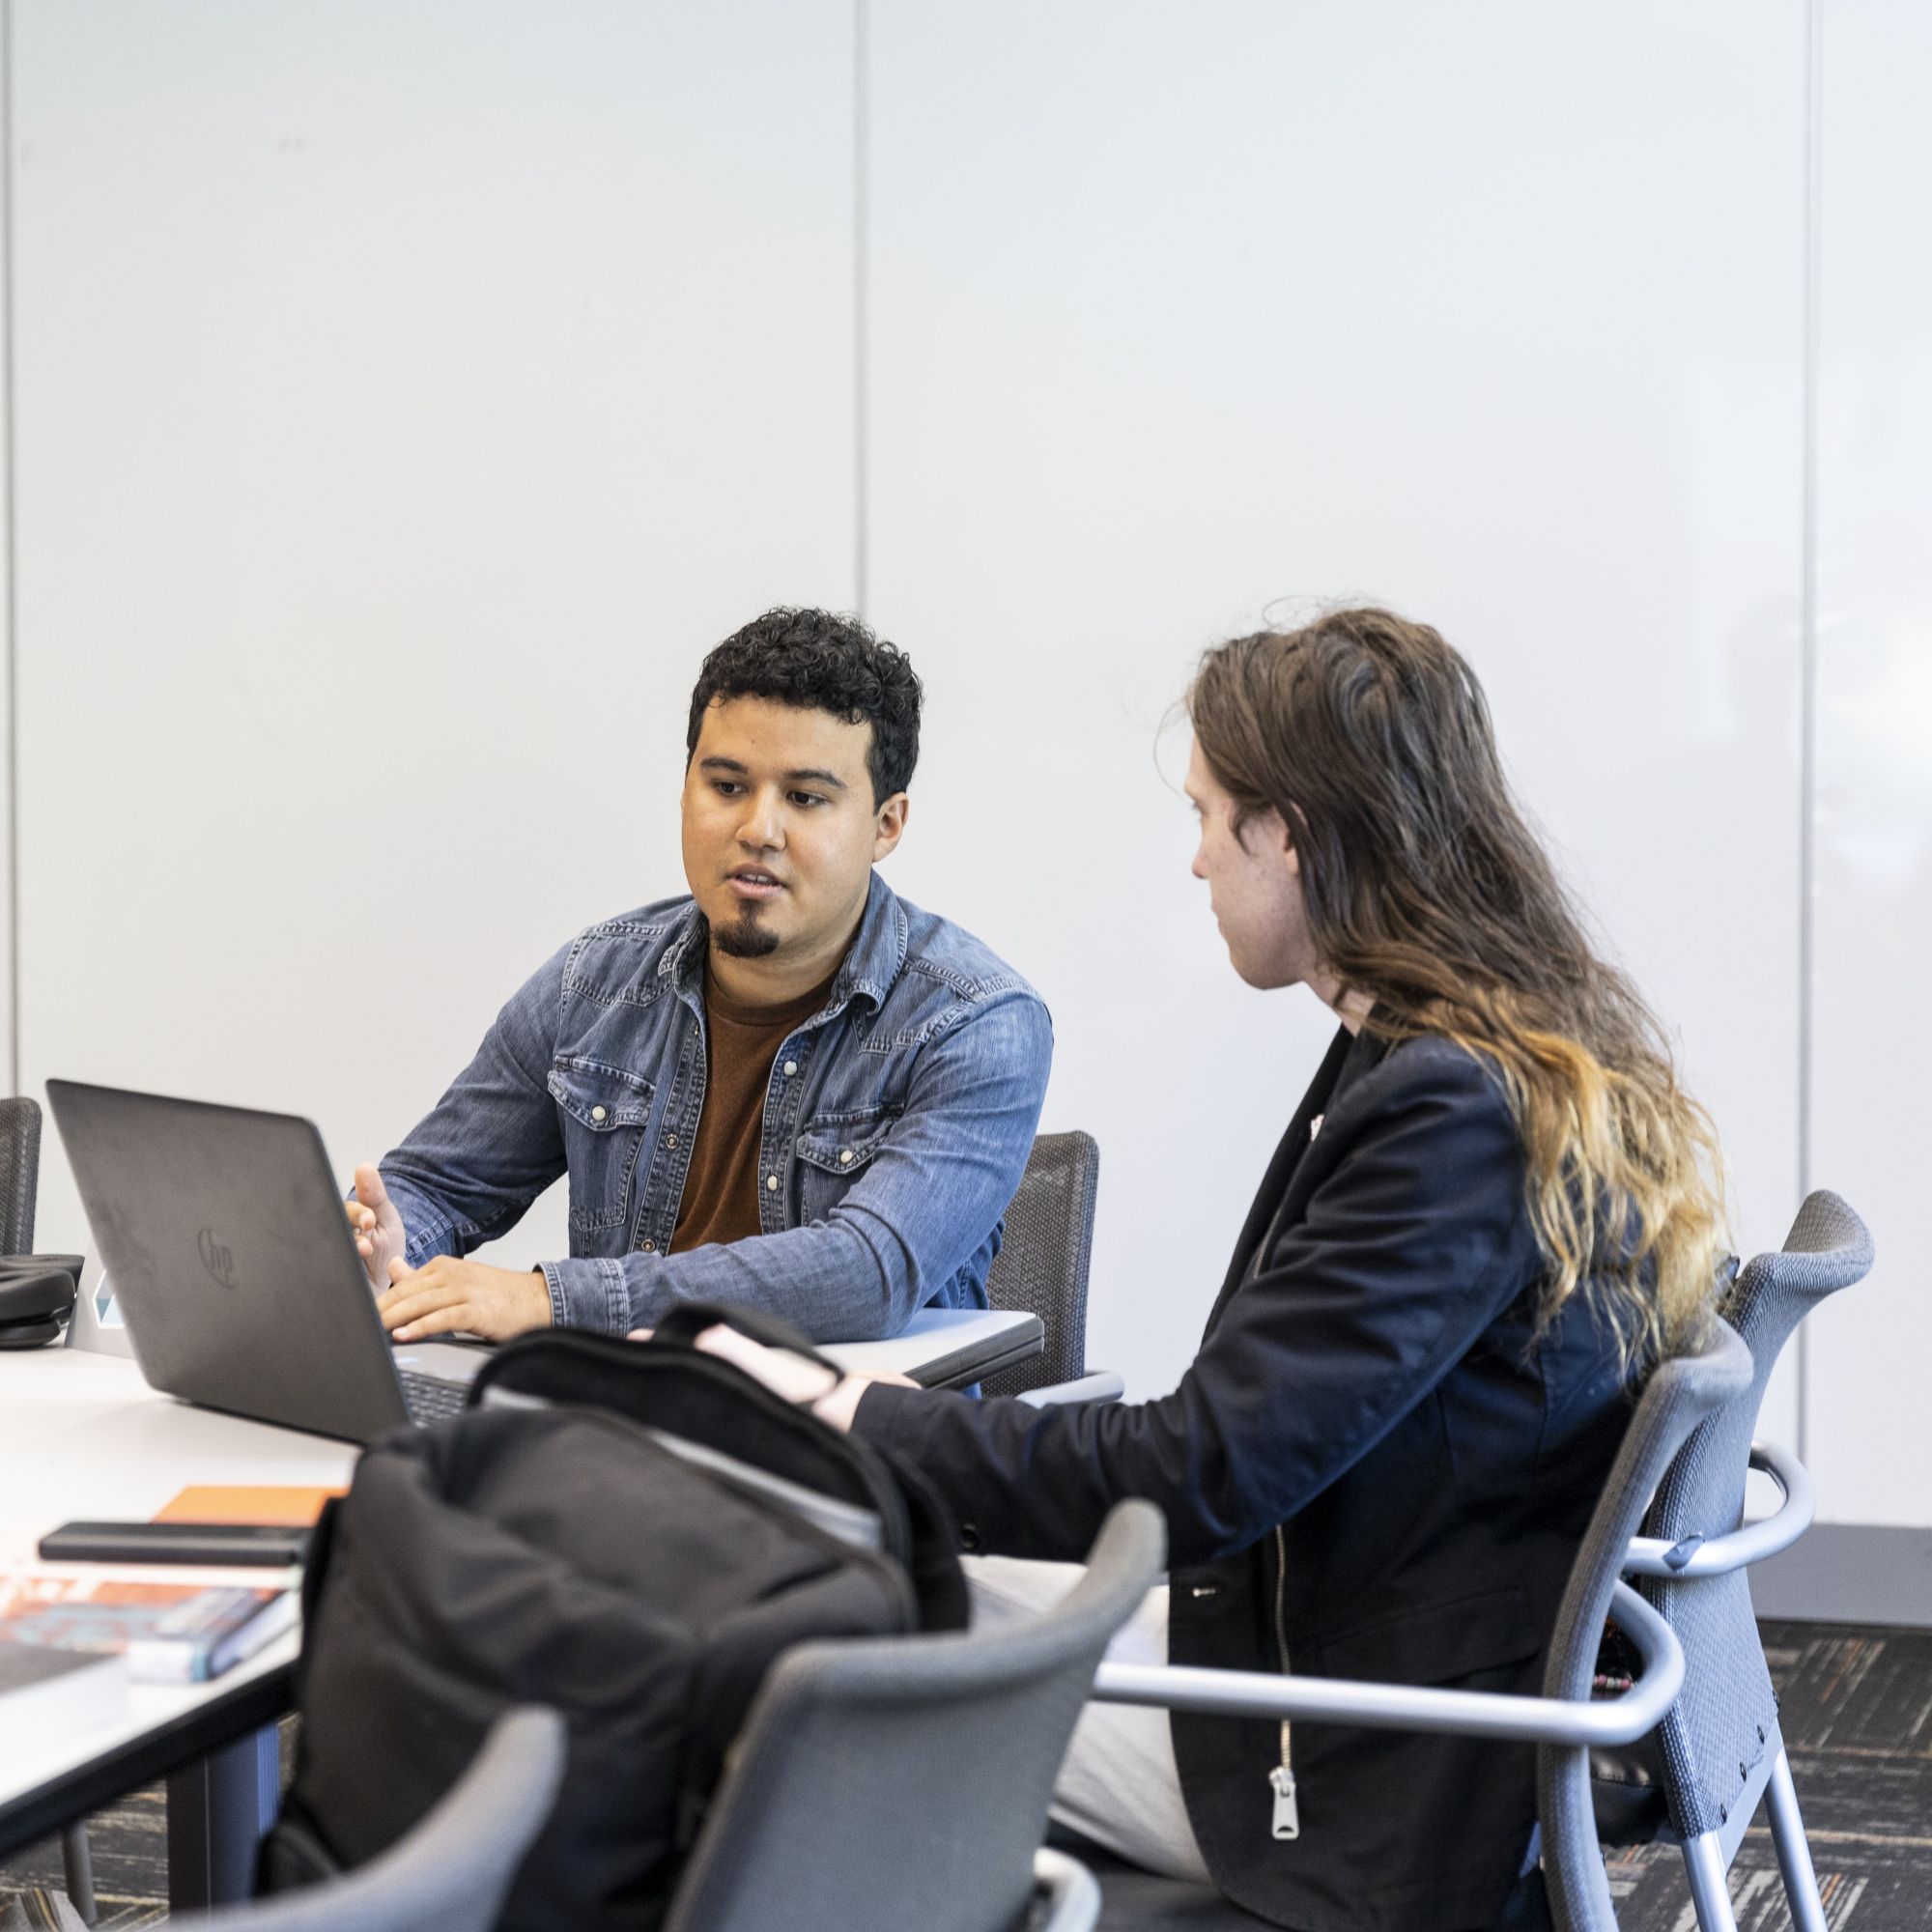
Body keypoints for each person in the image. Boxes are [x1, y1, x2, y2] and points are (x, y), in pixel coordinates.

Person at [694, 607, 1730, 1932]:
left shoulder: (1452, 1112)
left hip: (1340, 1767)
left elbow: (1196, 1476)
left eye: (1207, 817)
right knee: (828, 1561)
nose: (1194, 862)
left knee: (768, 1643)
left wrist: (841, 1415)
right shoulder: (1478, 1047)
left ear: (1289, 835)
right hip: (1341, 1655)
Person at [348, 607, 1052, 1345]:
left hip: (855, 1448)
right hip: (623, 1431)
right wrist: (381, 1250)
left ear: (886, 825)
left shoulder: (979, 1021)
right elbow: (435, 1188)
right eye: (726, 786)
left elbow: (865, 1274)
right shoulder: (593, 983)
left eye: (806, 799)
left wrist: (553, 1300)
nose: (758, 830)